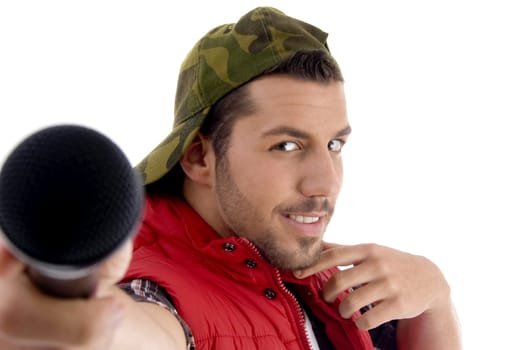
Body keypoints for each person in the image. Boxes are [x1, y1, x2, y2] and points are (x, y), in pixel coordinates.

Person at [0, 6, 461, 350]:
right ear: (200, 155)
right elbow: (128, 329)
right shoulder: (150, 289)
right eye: (286, 146)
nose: (325, 183)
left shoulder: (319, 281)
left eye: (334, 144)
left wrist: (435, 297)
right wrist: (62, 317)